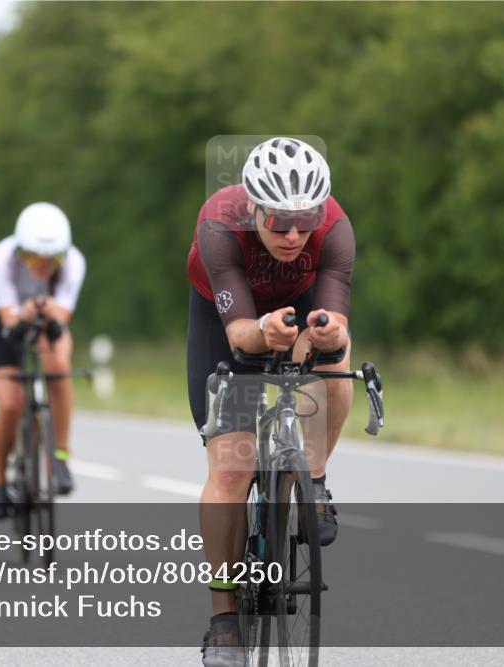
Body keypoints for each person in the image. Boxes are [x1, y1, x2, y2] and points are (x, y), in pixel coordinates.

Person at [187, 138, 355, 664]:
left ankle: (315, 481)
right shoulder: (219, 224)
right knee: (232, 472)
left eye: (304, 220)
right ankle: (223, 622)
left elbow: (337, 321)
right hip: (228, 318)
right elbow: (239, 334)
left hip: (299, 301)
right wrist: (263, 329)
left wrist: (325, 337)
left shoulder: (334, 229)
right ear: (253, 208)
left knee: (338, 358)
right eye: (279, 221)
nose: (293, 234)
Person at [0, 202, 86, 519]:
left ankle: (60, 457)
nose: (41, 267)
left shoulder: (75, 262)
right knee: (11, 402)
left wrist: (44, 311)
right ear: (18, 252)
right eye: (31, 258)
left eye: (50, 260)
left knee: (59, 369)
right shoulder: (1, 258)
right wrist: (24, 313)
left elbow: (62, 315)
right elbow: (9, 321)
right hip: (4, 314)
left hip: (46, 315)